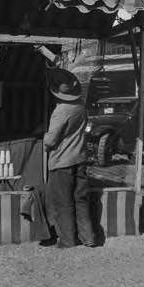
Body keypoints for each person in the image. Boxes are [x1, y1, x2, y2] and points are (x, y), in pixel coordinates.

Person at [43, 68, 95, 248]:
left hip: (61, 162)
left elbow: (50, 140)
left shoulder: (61, 111)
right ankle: (88, 238)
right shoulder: (81, 107)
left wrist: (43, 137)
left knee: (63, 202)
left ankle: (67, 240)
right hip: (80, 159)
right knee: (81, 200)